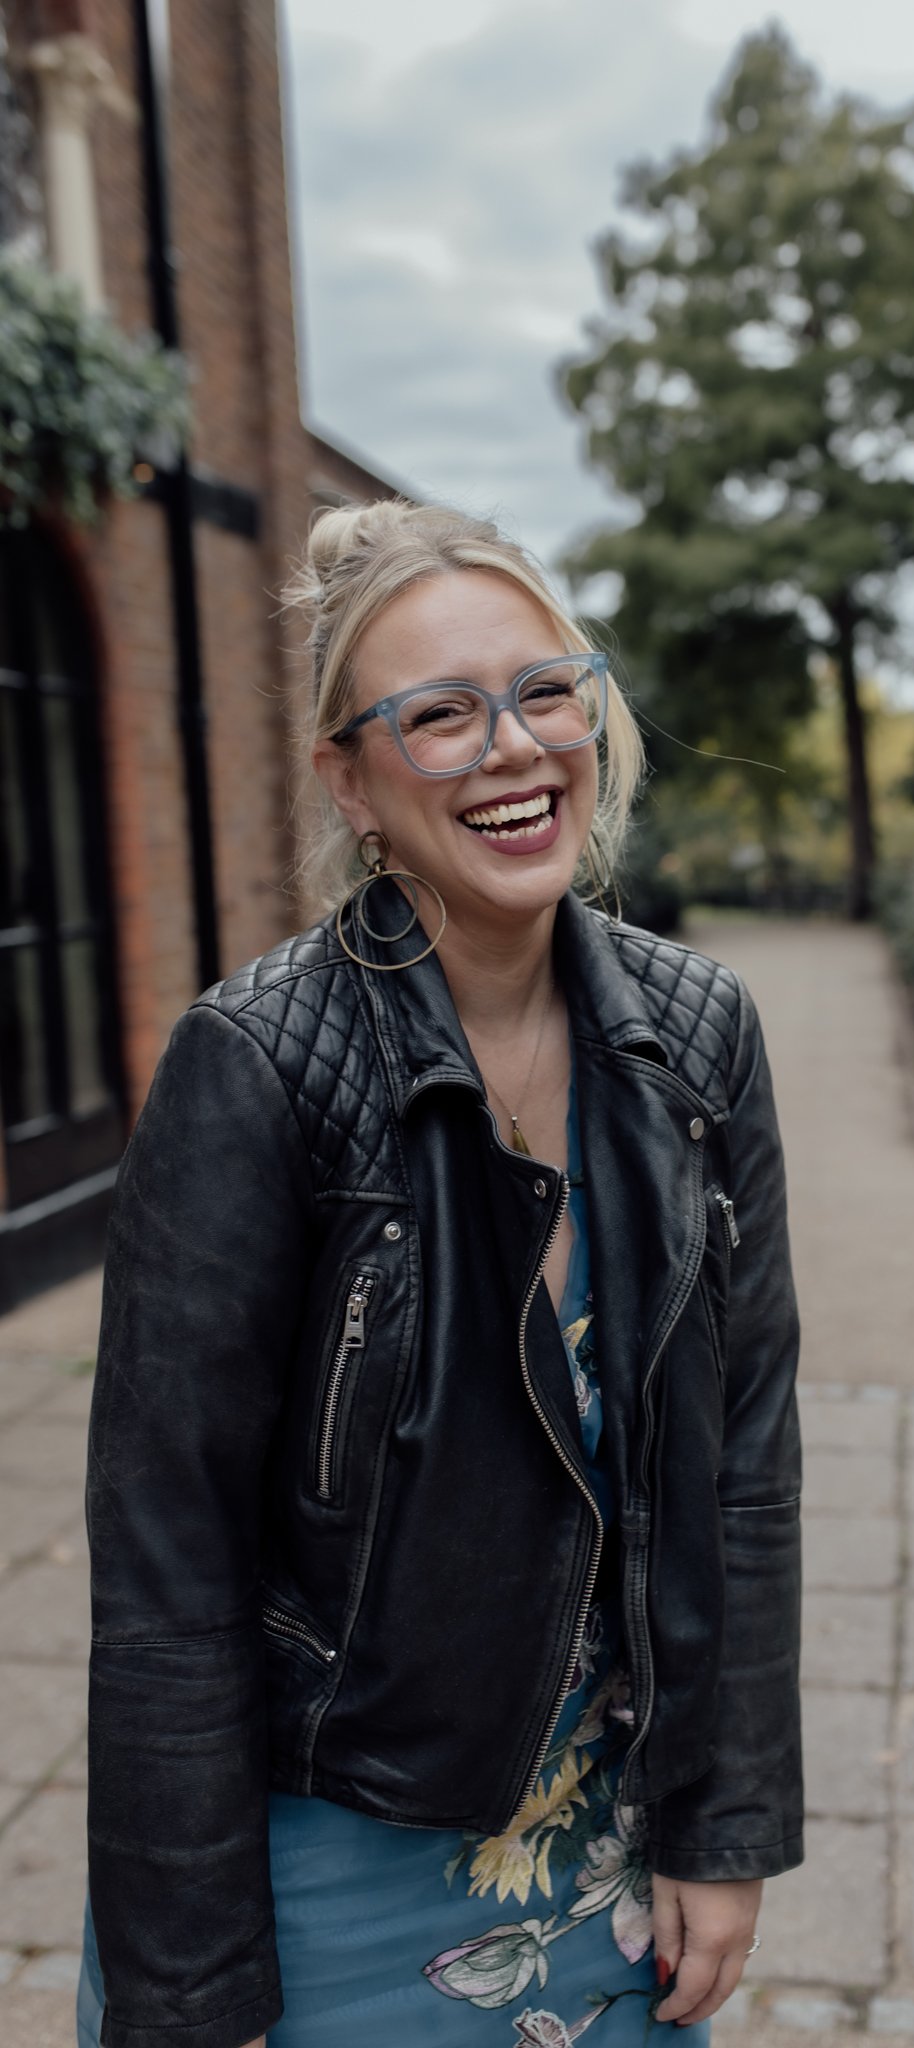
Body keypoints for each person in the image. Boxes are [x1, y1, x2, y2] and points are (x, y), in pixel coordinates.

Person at [77, 500, 803, 2048]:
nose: (511, 750)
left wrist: (718, 1827)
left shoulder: (699, 1037)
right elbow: (167, 1573)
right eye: (439, 715)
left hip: (603, 1846)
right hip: (324, 1853)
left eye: (545, 691)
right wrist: (191, 1992)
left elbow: (743, 1473)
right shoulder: (255, 1067)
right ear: (350, 779)